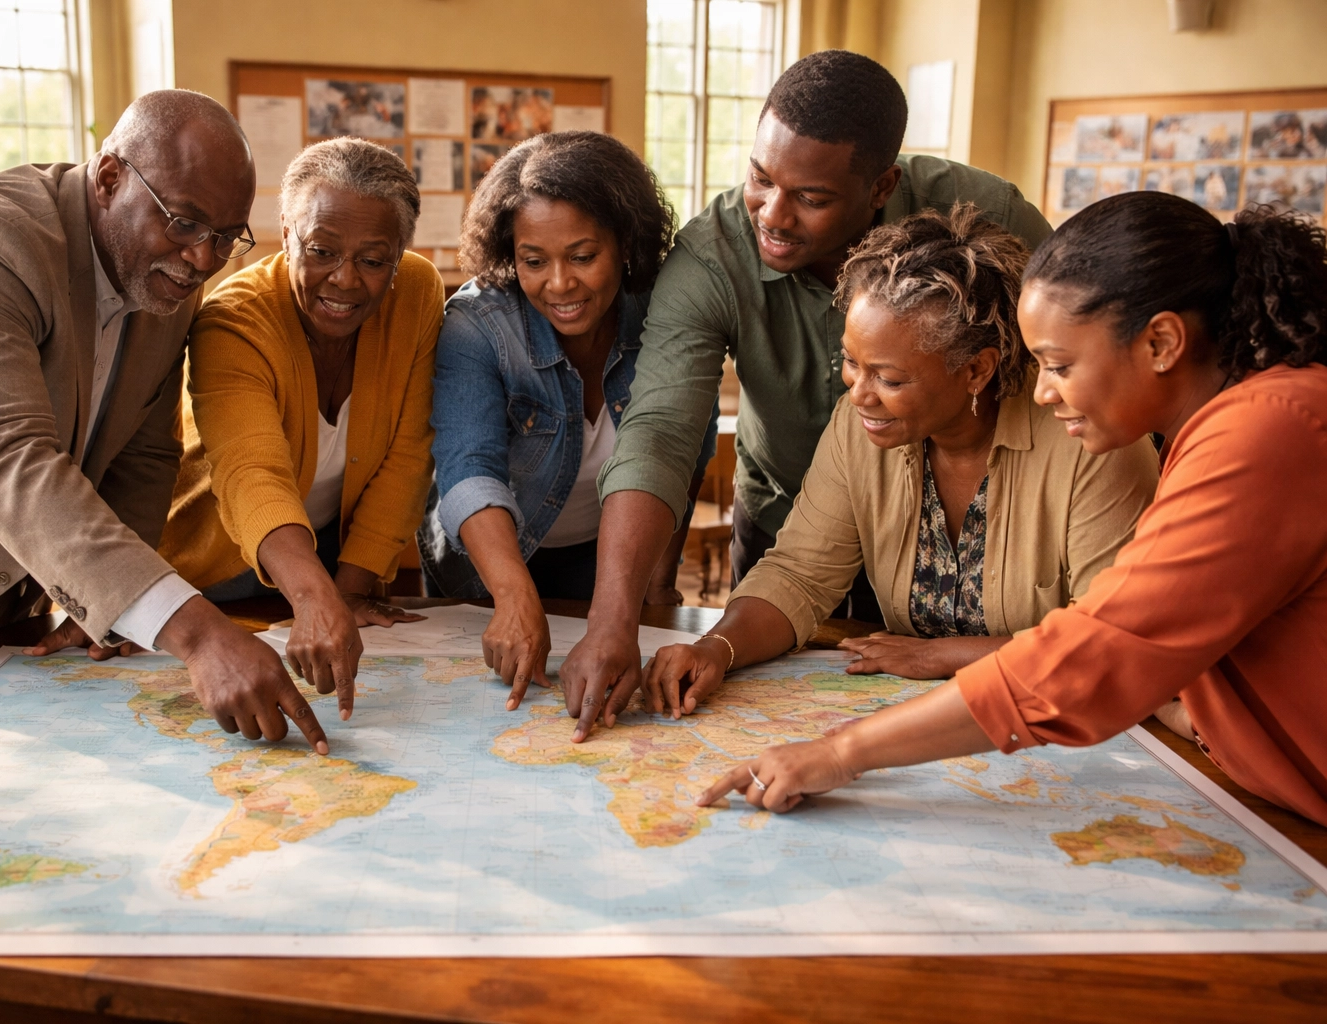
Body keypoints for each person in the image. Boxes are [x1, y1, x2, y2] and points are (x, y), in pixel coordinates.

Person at [698, 192, 1327, 828]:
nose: (1045, 389)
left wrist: (841, 751)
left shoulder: (1266, 430)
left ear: (1162, 341)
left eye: (1059, 365)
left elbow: (1097, 651)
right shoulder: (1242, 423)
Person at [0, 91, 329, 751]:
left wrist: (102, 609)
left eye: (226, 235)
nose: (204, 259)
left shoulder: (163, 282)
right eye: (185, 223)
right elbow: (4, 455)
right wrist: (196, 632)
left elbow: (143, 456)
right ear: (109, 178)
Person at [561, 49, 1053, 742]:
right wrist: (615, 621)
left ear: (882, 185)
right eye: (760, 178)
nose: (773, 213)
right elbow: (663, 431)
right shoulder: (712, 256)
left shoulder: (990, 220)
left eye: (812, 198)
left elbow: (1073, 361)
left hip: (981, 533)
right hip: (792, 519)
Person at [633, 206, 1157, 720]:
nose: (860, 395)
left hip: (1067, 722)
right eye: (851, 363)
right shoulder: (858, 426)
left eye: (890, 379)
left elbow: (1111, 643)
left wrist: (941, 656)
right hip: (928, 719)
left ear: (976, 369)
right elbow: (799, 574)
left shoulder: (1089, 442)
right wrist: (717, 648)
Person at [418, 131, 716, 709]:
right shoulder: (476, 325)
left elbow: (685, 450)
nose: (559, 284)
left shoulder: (665, 310)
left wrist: (656, 576)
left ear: (625, 243)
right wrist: (512, 596)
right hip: (487, 565)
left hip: (605, 559)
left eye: (583, 256)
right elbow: (466, 467)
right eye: (534, 261)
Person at [160, 137, 442, 719]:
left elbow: (409, 455)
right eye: (320, 250)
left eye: (373, 259)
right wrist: (314, 597)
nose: (343, 280)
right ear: (285, 232)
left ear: (398, 255)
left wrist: (347, 590)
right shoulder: (233, 319)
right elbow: (251, 473)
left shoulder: (417, 292)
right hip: (215, 579)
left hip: (339, 569)